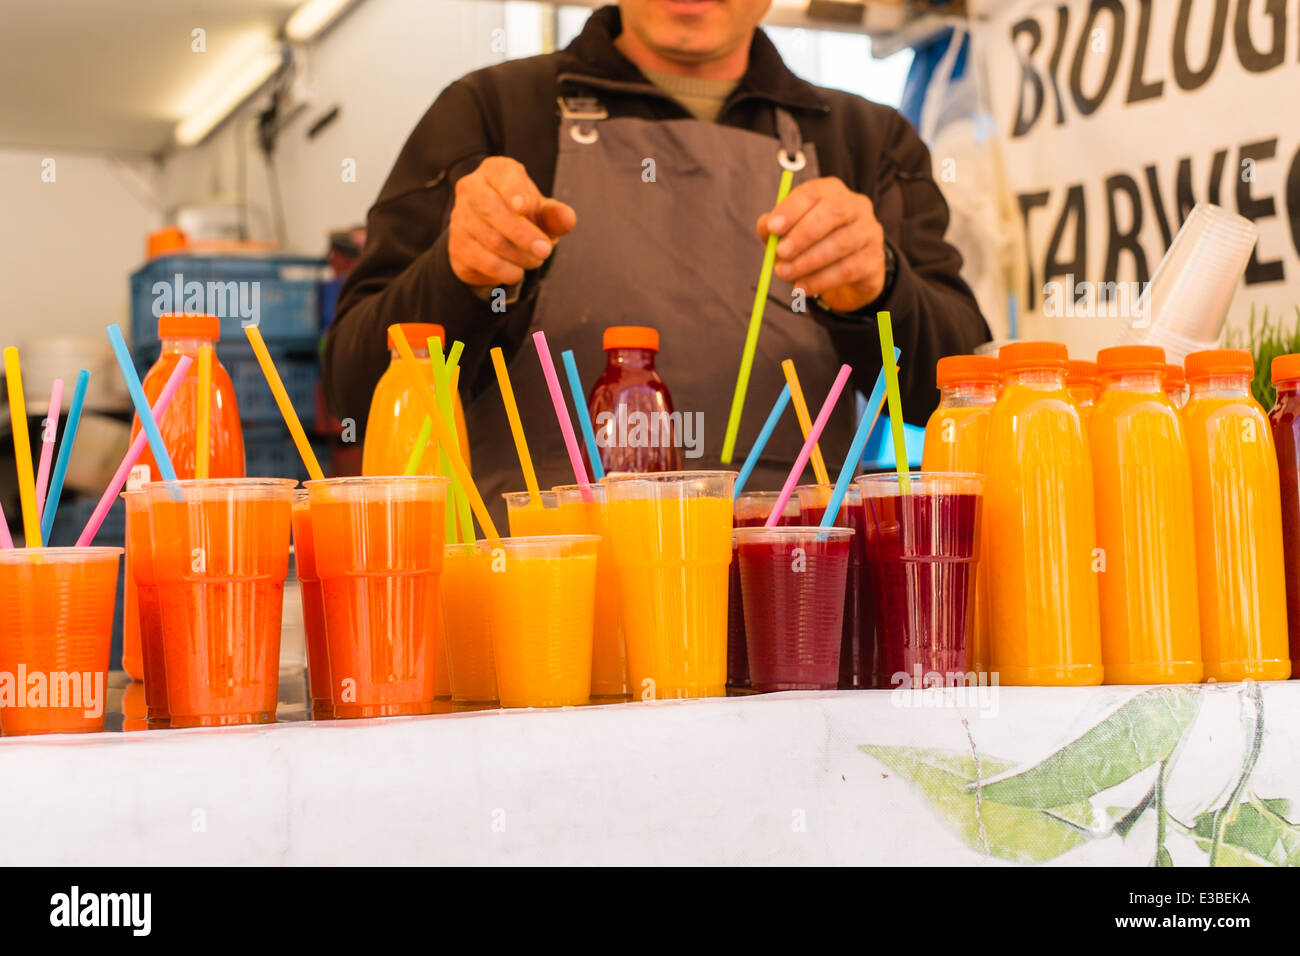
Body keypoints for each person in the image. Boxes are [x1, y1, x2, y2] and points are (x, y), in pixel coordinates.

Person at [324, 1, 990, 518]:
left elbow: (953, 394)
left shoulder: (864, 140)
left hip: (792, 610)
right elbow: (353, 391)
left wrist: (882, 291)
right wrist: (455, 277)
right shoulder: (493, 113)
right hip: (546, 622)